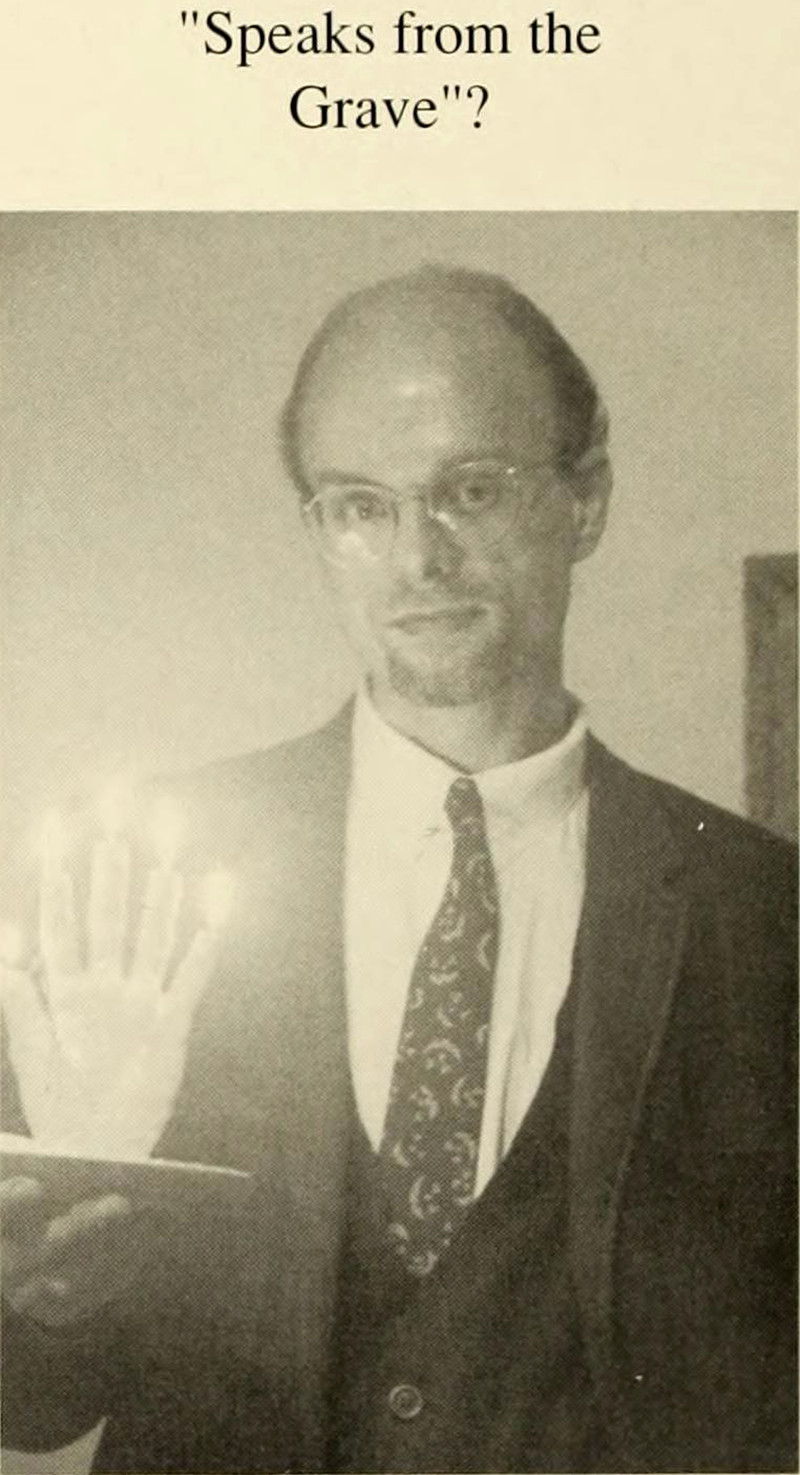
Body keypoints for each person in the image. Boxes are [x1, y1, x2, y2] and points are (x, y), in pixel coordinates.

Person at [1, 264, 796, 1474]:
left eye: (470, 489)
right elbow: (32, 1400)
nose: (418, 556)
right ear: (317, 530)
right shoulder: (136, 884)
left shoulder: (763, 914)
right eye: (359, 505)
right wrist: (50, 1304)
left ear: (584, 500)